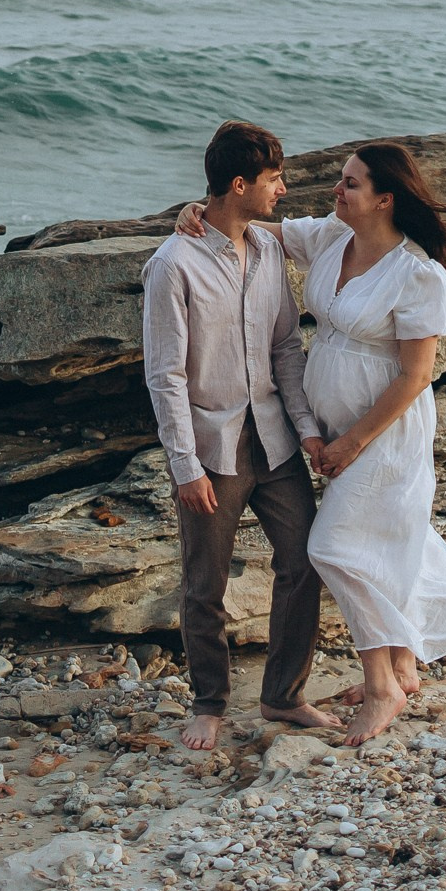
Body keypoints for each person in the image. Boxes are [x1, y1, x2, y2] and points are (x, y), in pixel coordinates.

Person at [178, 139, 446, 743]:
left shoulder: (418, 275)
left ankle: (382, 687)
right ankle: (402, 660)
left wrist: (353, 443)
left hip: (385, 433)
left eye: (350, 183)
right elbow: (247, 222)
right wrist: (197, 210)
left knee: (335, 547)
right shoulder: (330, 237)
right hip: (331, 429)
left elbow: (415, 376)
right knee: (393, 537)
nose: (335, 190)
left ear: (385, 199)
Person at [141, 120, 340, 750]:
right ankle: (209, 703)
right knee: (206, 584)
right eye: (274, 178)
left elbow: (286, 348)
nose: (283, 189)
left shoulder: (270, 251)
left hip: (275, 439)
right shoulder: (172, 265)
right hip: (212, 445)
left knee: (304, 559)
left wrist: (306, 429)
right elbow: (165, 375)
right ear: (238, 184)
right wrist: (185, 465)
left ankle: (284, 695)